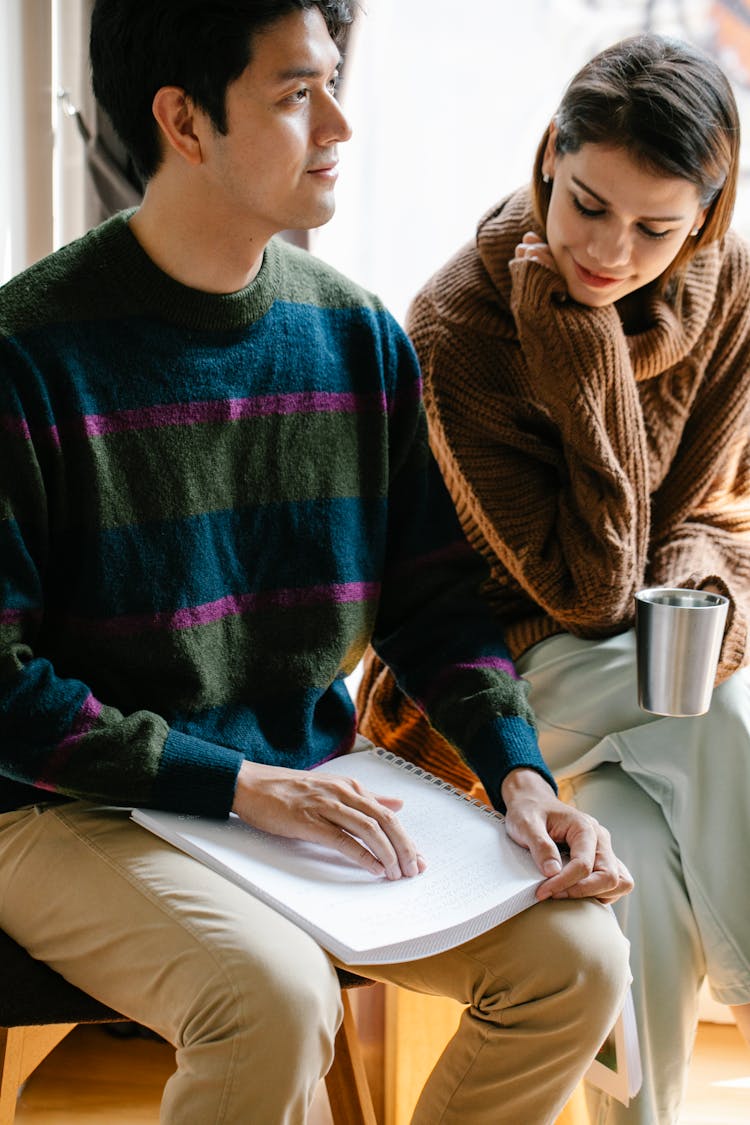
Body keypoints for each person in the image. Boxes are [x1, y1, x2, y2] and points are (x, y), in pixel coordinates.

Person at [0, 2, 633, 1123]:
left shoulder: (357, 338)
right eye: (297, 95)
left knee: (579, 959)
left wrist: (520, 777)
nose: (340, 123)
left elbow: (435, 605)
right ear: (185, 122)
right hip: (67, 805)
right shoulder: (28, 355)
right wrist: (233, 786)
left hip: (303, 791)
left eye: (333, 82)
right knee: (276, 1001)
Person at [357, 31, 750, 1125]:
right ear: (547, 161)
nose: (611, 250)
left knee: (636, 835)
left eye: (656, 227)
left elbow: (715, 514)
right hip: (476, 697)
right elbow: (586, 592)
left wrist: (701, 598)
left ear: (706, 221)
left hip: (634, 694)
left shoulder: (732, 293)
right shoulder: (462, 327)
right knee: (710, 707)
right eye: (586, 205)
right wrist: (580, 358)